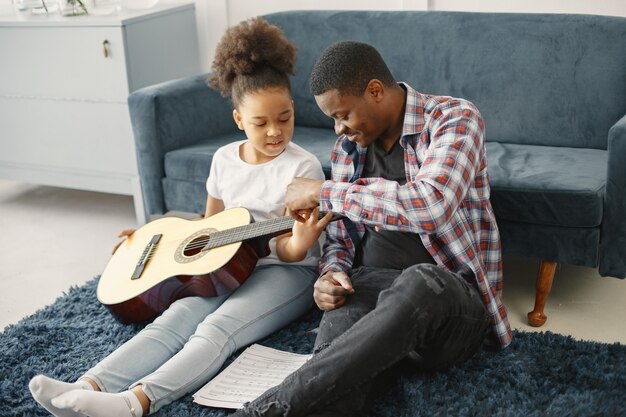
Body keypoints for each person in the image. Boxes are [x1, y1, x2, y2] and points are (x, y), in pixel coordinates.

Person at [28, 17, 332, 417]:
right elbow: (208, 226)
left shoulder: (304, 167)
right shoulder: (224, 160)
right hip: (226, 266)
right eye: (261, 123)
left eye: (285, 118)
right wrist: (152, 240)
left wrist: (301, 242)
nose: (275, 132)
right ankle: (88, 385)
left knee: (215, 330)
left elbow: (289, 249)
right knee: (175, 319)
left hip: (285, 270)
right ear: (239, 120)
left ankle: (133, 403)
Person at [233, 40, 513, 417]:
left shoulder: (454, 119)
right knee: (336, 387)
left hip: (444, 299)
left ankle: (277, 403)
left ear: (375, 91)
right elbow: (341, 233)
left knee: (418, 282)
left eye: (342, 114)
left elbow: (432, 206)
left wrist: (325, 190)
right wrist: (331, 273)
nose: (338, 128)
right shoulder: (349, 148)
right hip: (367, 287)